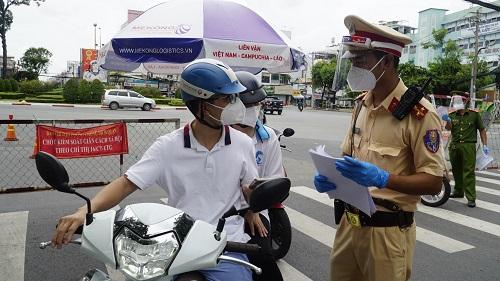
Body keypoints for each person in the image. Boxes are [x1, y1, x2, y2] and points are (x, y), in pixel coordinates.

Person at [52, 58, 259, 281]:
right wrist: (83, 212)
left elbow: (250, 188)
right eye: (226, 98)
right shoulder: (168, 146)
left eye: (234, 97)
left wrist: (257, 200)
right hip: (176, 244)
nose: (234, 104)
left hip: (224, 243)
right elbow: (126, 183)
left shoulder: (243, 143)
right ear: (201, 103)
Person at [313, 15, 443, 281]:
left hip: (387, 233)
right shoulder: (361, 105)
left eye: (361, 60)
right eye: (352, 61)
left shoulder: (419, 114)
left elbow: (433, 182)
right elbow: (349, 159)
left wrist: (384, 178)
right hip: (348, 226)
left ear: (386, 61)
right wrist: (332, 177)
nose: (354, 68)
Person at [231, 71, 285, 281]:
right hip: (219, 214)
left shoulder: (268, 137)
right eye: (248, 105)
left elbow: (273, 178)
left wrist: (253, 210)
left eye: (257, 104)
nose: (254, 110)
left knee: (265, 263)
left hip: (255, 212)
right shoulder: (219, 136)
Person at [442, 93, 489, 208]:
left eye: (460, 101)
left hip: (468, 146)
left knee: (468, 172)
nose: (458, 104)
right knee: (456, 170)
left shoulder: (474, 115)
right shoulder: (452, 115)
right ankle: (458, 191)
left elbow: (482, 130)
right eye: (456, 102)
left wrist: (485, 145)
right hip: (454, 146)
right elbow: (448, 128)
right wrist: (447, 121)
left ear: (466, 102)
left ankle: (471, 197)